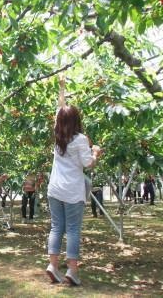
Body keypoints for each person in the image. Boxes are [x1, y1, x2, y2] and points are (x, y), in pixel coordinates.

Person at [45, 76, 102, 286]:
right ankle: (72, 270)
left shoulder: (57, 133)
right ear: (77, 120)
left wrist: (62, 88)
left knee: (56, 228)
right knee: (73, 230)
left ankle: (53, 265)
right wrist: (95, 152)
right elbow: (88, 164)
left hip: (55, 189)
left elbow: (60, 108)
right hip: (72, 191)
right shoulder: (81, 139)